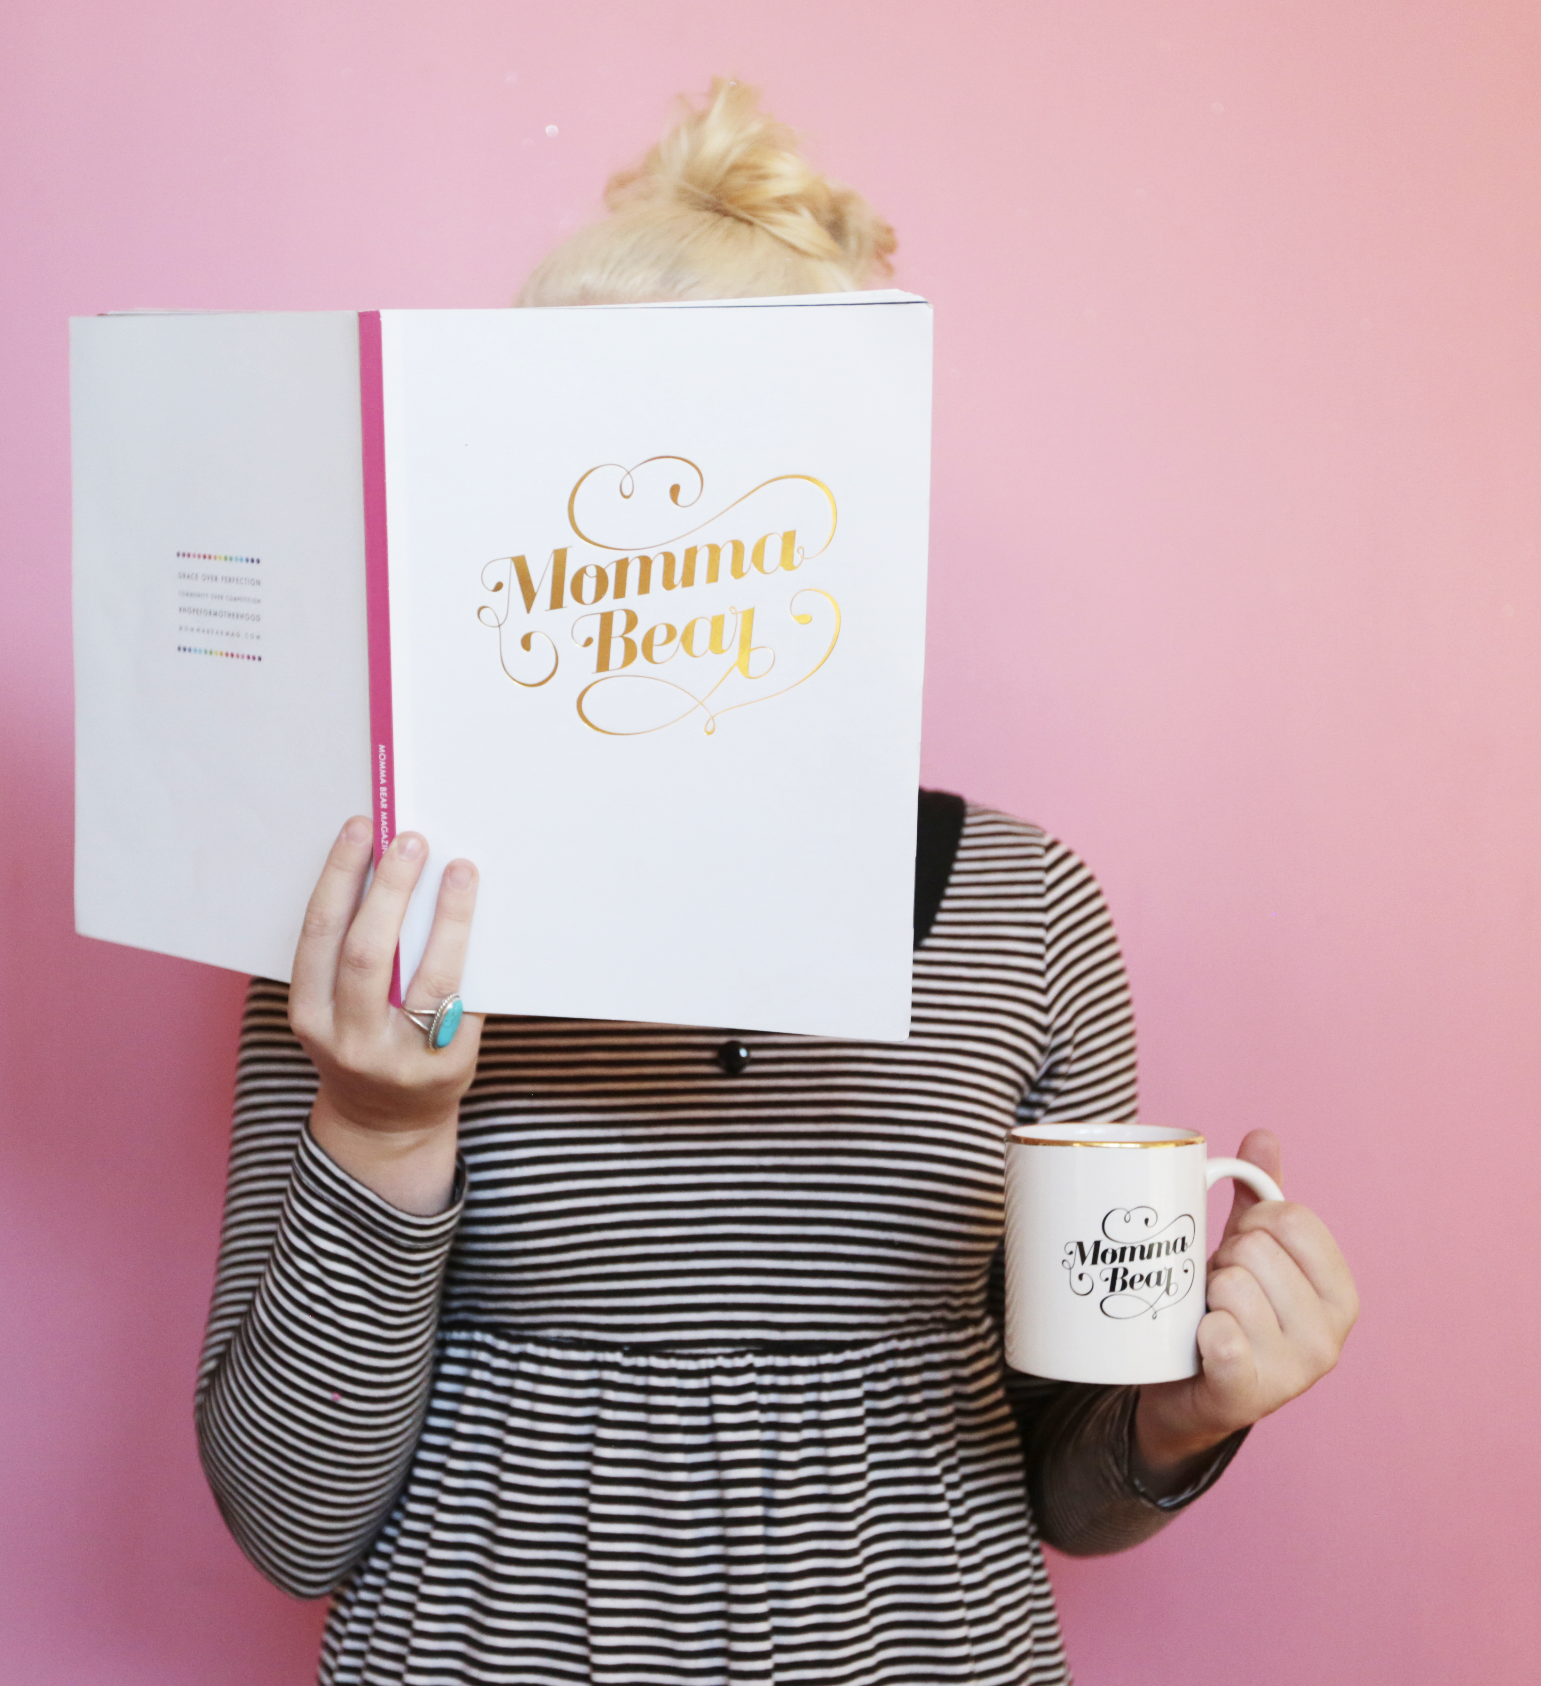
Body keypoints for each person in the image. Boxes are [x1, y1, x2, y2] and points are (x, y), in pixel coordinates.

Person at [195, 80, 1357, 1686]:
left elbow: (1065, 1483)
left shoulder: (1028, 911)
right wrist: (382, 1126)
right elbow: (288, 1523)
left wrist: (1188, 1405)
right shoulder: (368, 931)